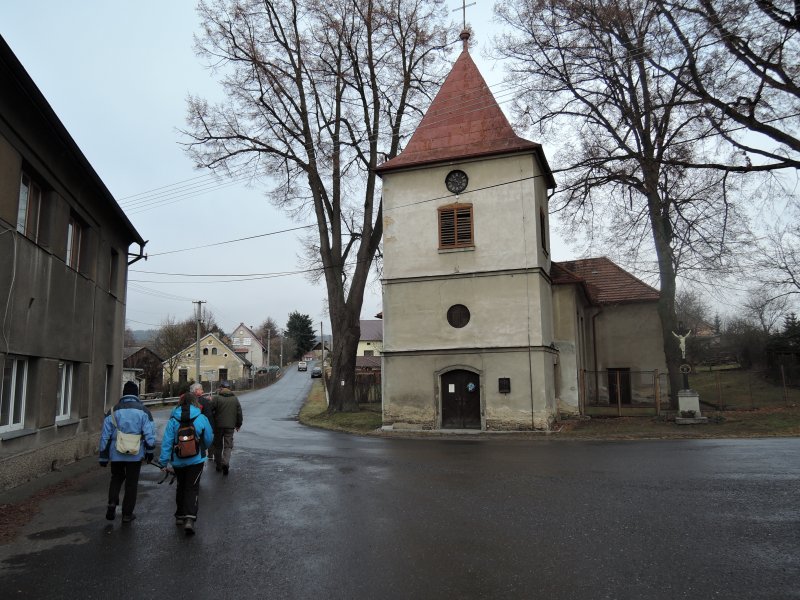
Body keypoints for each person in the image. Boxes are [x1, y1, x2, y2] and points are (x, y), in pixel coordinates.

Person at [98, 381, 156, 524]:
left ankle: (112, 502)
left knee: (116, 478)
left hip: (116, 452)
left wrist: (103, 457)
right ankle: (127, 515)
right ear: (136, 394)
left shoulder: (112, 411)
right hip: (135, 454)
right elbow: (149, 435)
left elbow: (105, 435)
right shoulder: (144, 411)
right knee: (131, 483)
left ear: (123, 393)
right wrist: (150, 451)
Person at [158, 393, 213, 535]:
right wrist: (202, 449)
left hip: (178, 460)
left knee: (181, 486)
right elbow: (208, 438)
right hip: (196, 460)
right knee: (192, 487)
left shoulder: (173, 419)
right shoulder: (201, 418)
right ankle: (190, 518)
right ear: (195, 402)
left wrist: (163, 462)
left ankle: (180, 515)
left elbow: (167, 442)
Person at [210, 380, 243, 475]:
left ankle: (218, 465)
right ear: (229, 388)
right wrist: (238, 424)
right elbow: (239, 413)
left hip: (218, 426)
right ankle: (225, 462)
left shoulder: (216, 398)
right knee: (228, 445)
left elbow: (210, 411)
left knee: (218, 445)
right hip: (230, 426)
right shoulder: (235, 399)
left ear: (221, 388)